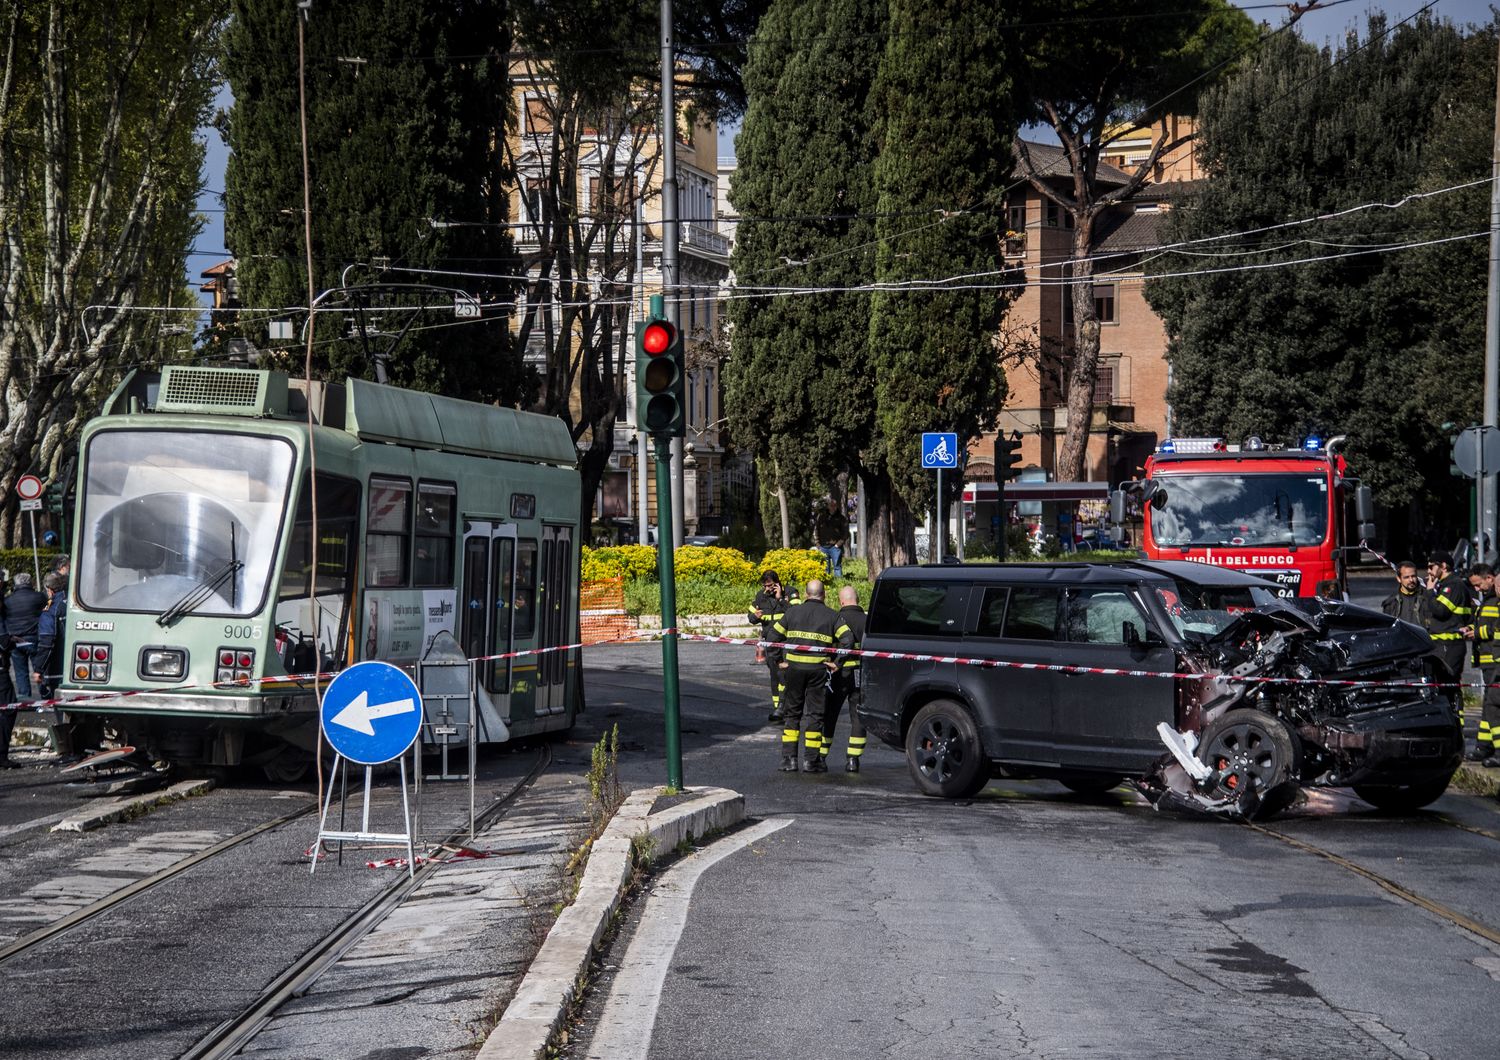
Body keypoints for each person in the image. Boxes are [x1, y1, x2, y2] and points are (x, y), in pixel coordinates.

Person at [768, 579, 853, 773]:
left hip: (794, 670)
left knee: (792, 714)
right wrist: (837, 663)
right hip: (818, 671)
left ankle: (789, 760)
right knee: (815, 715)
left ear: (806, 594)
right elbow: (848, 640)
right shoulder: (832, 616)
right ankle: (811, 761)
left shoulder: (791, 612)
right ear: (824, 595)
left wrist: (777, 662)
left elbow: (773, 637)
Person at [819, 585, 868, 773]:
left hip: (837, 675)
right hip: (860, 675)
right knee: (858, 718)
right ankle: (853, 760)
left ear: (841, 601)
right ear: (857, 600)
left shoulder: (835, 618)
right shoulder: (868, 621)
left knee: (829, 715)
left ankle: (822, 757)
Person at [747, 571, 798, 723]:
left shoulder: (791, 592)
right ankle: (778, 707)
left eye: (770, 586)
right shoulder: (760, 596)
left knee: (785, 674)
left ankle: (785, 707)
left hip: (786, 641)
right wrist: (755, 616)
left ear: (777, 583)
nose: (767, 589)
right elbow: (750, 617)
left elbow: (796, 614)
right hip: (770, 642)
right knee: (775, 676)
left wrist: (780, 598)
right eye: (765, 586)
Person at [1424, 550, 1472, 682]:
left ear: (1443, 566)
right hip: (1438, 645)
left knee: (1448, 684)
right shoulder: (1442, 586)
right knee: (1438, 684)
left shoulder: (1453, 585)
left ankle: (1455, 703)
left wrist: (1429, 592)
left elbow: (1441, 611)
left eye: (1431, 567)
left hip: (1450, 645)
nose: (1428, 571)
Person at [0, 571, 48, 700]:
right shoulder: (39, 597)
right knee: (39, 669)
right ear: (30, 582)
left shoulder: (7, 601)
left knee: (20, 672)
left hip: (16, 640)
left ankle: (24, 698)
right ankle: (44, 696)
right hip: (35, 638)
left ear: (15, 584)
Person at [1471, 564, 1500, 765]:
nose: (1477, 589)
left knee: (1492, 705)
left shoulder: (1494, 602)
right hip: (1492, 662)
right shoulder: (1490, 602)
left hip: (1494, 663)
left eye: (1479, 584)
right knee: (1488, 706)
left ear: (1490, 578)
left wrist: (1476, 633)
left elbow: (1491, 630)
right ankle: (1484, 746)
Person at [1382, 561, 1428, 627]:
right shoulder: (1391, 603)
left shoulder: (1427, 597)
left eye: (1413, 576)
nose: (1411, 580)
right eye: (1406, 577)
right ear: (1399, 579)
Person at [813, 496, 848, 579]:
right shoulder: (821, 517)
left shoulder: (841, 518)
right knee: (825, 568)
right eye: (831, 505)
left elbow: (846, 533)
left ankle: (839, 584)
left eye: (834, 505)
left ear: (836, 506)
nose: (832, 507)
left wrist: (838, 544)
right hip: (823, 547)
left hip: (835, 547)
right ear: (828, 506)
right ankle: (827, 585)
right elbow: (816, 530)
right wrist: (817, 544)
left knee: (837, 567)